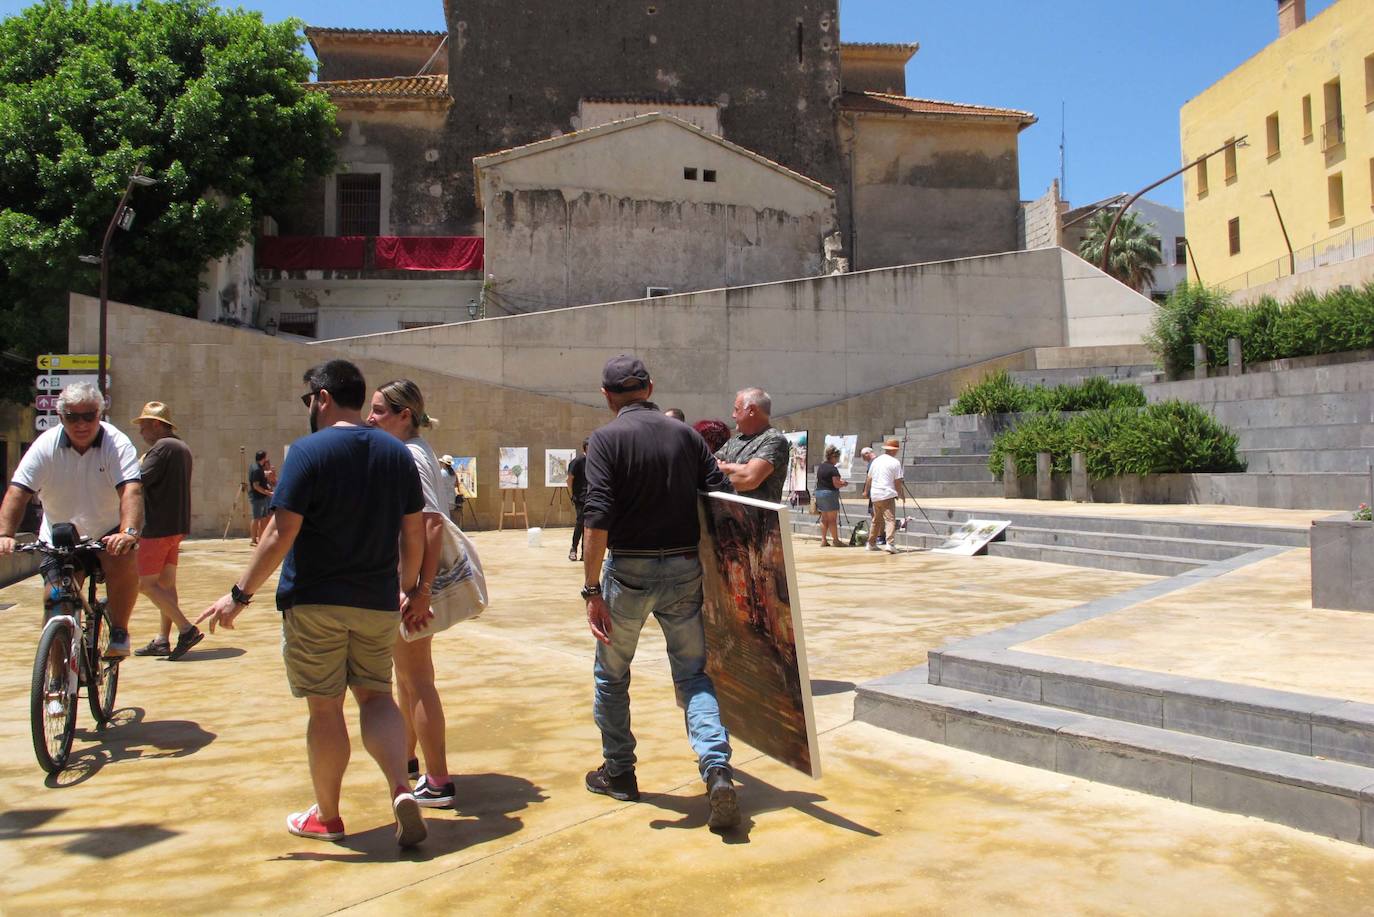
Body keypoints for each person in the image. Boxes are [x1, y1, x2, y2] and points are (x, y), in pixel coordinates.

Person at [197, 359, 429, 847]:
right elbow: (413, 532)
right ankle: (400, 786)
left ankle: (327, 816)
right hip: (376, 600)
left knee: (325, 711)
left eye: (310, 399)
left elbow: (281, 534)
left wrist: (239, 595)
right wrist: (408, 587)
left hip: (315, 601)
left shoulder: (306, 452)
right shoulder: (396, 455)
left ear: (322, 397)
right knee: (377, 696)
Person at [581, 354, 739, 830]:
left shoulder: (606, 440)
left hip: (628, 571)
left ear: (608, 396)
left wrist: (591, 588)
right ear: (649, 388)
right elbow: (718, 500)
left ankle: (620, 771)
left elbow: (598, 515)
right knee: (693, 676)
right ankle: (716, 767)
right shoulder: (688, 436)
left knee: (612, 675)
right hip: (685, 569)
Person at [0, 382, 143, 656]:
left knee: (122, 559)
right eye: (72, 417)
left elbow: (131, 490)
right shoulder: (45, 445)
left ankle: (120, 631)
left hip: (107, 530)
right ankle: (55, 684)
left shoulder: (116, 443)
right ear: (61, 417)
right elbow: (18, 491)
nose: (81, 424)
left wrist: (128, 532)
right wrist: (5, 534)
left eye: (89, 416)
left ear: (99, 414)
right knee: (55, 604)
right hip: (60, 535)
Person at [366, 379, 456, 809]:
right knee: (407, 679)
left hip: (409, 589)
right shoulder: (413, 452)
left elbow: (432, 522)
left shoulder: (409, 454)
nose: (370, 417)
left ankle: (438, 779)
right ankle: (411, 763)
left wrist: (420, 590)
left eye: (380, 410)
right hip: (404, 586)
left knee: (417, 679)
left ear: (405, 416)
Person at [129, 401, 203, 659]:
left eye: (144, 426)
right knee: (166, 585)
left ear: (158, 424)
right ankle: (162, 639)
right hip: (175, 526)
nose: (141, 432)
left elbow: (138, 480)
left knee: (143, 584)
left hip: (157, 527)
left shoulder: (163, 448)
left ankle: (186, 628)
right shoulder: (181, 446)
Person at [715, 387, 790, 503]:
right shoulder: (735, 440)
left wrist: (726, 468)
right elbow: (709, 467)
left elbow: (749, 479)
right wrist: (742, 467)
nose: (733, 415)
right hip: (729, 519)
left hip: (759, 520)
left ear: (751, 410)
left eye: (736, 410)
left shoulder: (774, 440)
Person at [863, 439, 909, 555]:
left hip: (875, 495)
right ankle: (890, 543)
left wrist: (866, 491)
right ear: (895, 450)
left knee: (876, 520)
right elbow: (897, 481)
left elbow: (869, 478)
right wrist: (900, 494)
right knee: (890, 519)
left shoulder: (876, 461)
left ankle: (871, 543)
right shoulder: (895, 463)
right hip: (887, 494)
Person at [814, 445, 848, 547]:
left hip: (819, 493)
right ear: (833, 457)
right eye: (837, 458)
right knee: (832, 519)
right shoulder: (833, 469)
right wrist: (844, 484)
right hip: (829, 494)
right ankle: (836, 540)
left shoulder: (821, 466)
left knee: (824, 518)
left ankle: (823, 540)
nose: (837, 460)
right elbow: (836, 484)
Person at [567, 439, 588, 562]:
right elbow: (569, 479)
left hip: (591, 497)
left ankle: (585, 552)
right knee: (580, 523)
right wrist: (572, 495)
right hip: (580, 498)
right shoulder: (578, 461)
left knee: (588, 525)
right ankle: (573, 549)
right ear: (586, 448)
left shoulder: (594, 461)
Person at [248, 450, 273, 545]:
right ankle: (253, 540)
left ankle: (261, 539)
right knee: (256, 518)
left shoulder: (256, 467)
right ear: (263, 458)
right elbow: (256, 485)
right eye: (266, 457)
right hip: (257, 497)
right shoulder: (257, 469)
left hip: (262, 497)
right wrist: (267, 493)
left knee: (263, 518)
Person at [437, 454, 460, 522]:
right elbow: (456, 484)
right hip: (451, 498)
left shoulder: (441, 473)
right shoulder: (453, 474)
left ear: (443, 463)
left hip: (443, 498)